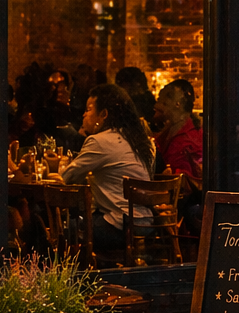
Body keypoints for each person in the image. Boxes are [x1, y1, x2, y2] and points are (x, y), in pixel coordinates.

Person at [63, 83, 155, 254]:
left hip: (120, 226)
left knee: (66, 226)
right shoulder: (142, 141)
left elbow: (67, 177)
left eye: (89, 109)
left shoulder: (100, 141)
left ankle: (75, 274)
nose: (84, 114)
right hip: (148, 223)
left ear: (104, 114)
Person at [154, 79, 203, 181]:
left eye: (166, 97)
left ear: (178, 104)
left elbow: (186, 182)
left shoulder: (189, 139)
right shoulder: (172, 130)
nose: (157, 104)